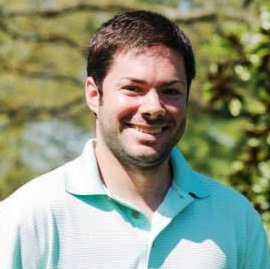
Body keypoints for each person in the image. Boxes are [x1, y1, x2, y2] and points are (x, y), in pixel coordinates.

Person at [0, 10, 268, 269]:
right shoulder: (29, 216)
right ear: (94, 95)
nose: (154, 107)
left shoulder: (235, 218)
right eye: (132, 89)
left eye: (171, 91)